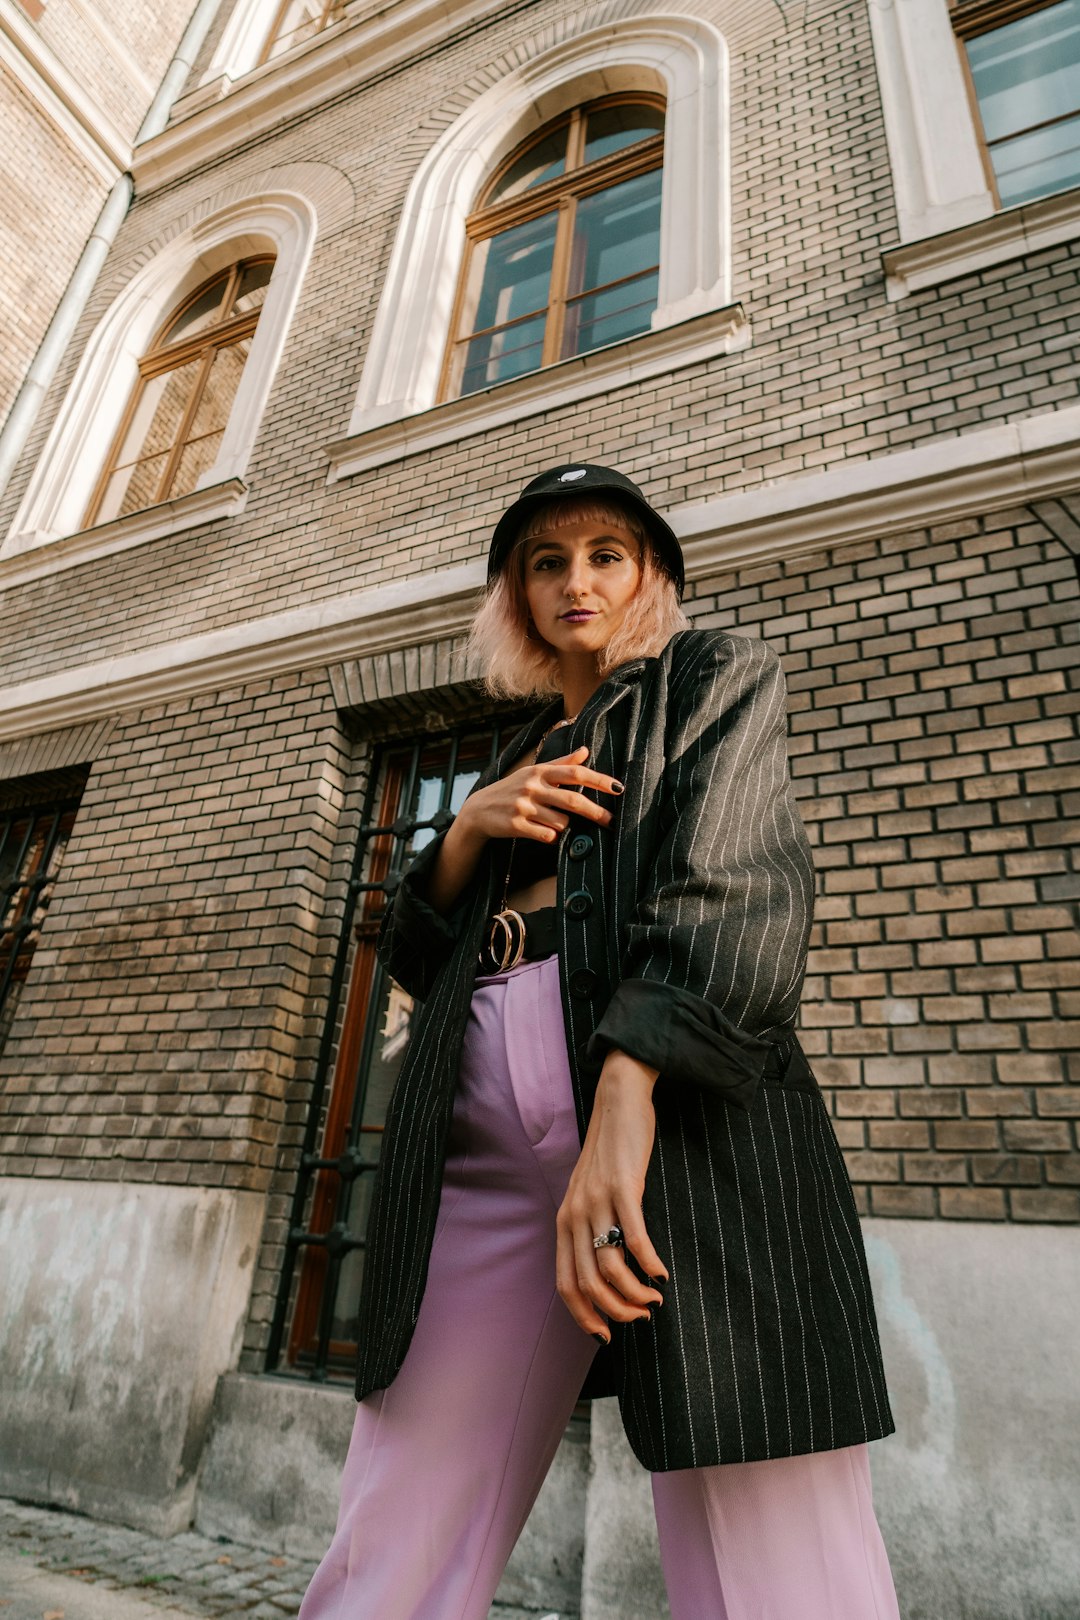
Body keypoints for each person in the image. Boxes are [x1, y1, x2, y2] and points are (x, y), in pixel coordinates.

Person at [298, 464, 901, 1620]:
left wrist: (627, 1102)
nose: (577, 580)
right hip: (477, 1142)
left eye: (606, 553)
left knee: (768, 1521)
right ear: (515, 593)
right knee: (400, 1510)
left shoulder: (710, 679)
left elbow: (733, 890)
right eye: (546, 561)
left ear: (651, 574)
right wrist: (465, 833)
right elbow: (417, 959)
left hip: (683, 1117)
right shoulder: (515, 747)